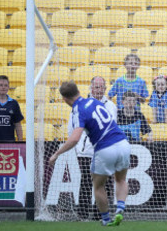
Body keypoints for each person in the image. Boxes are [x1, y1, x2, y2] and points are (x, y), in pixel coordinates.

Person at [49, 81, 130, 227]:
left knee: (98, 185)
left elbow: (74, 138)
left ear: (65, 99)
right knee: (120, 180)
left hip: (105, 148)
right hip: (123, 143)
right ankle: (120, 208)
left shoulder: (78, 110)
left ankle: (105, 219)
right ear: (78, 91)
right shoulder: (93, 101)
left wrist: (56, 154)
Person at [73, 76, 117, 220]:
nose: (98, 89)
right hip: (86, 152)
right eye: (96, 87)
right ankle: (83, 214)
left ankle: (101, 214)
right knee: (86, 182)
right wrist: (77, 146)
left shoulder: (111, 106)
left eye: (101, 87)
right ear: (91, 88)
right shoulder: (81, 105)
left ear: (105, 89)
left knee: (103, 183)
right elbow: (73, 127)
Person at [0, 75, 23, 142]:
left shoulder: (14, 103)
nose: (3, 87)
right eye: (0, 85)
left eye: (6, 85)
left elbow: (18, 124)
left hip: (9, 143)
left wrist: (20, 141)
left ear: (8, 87)